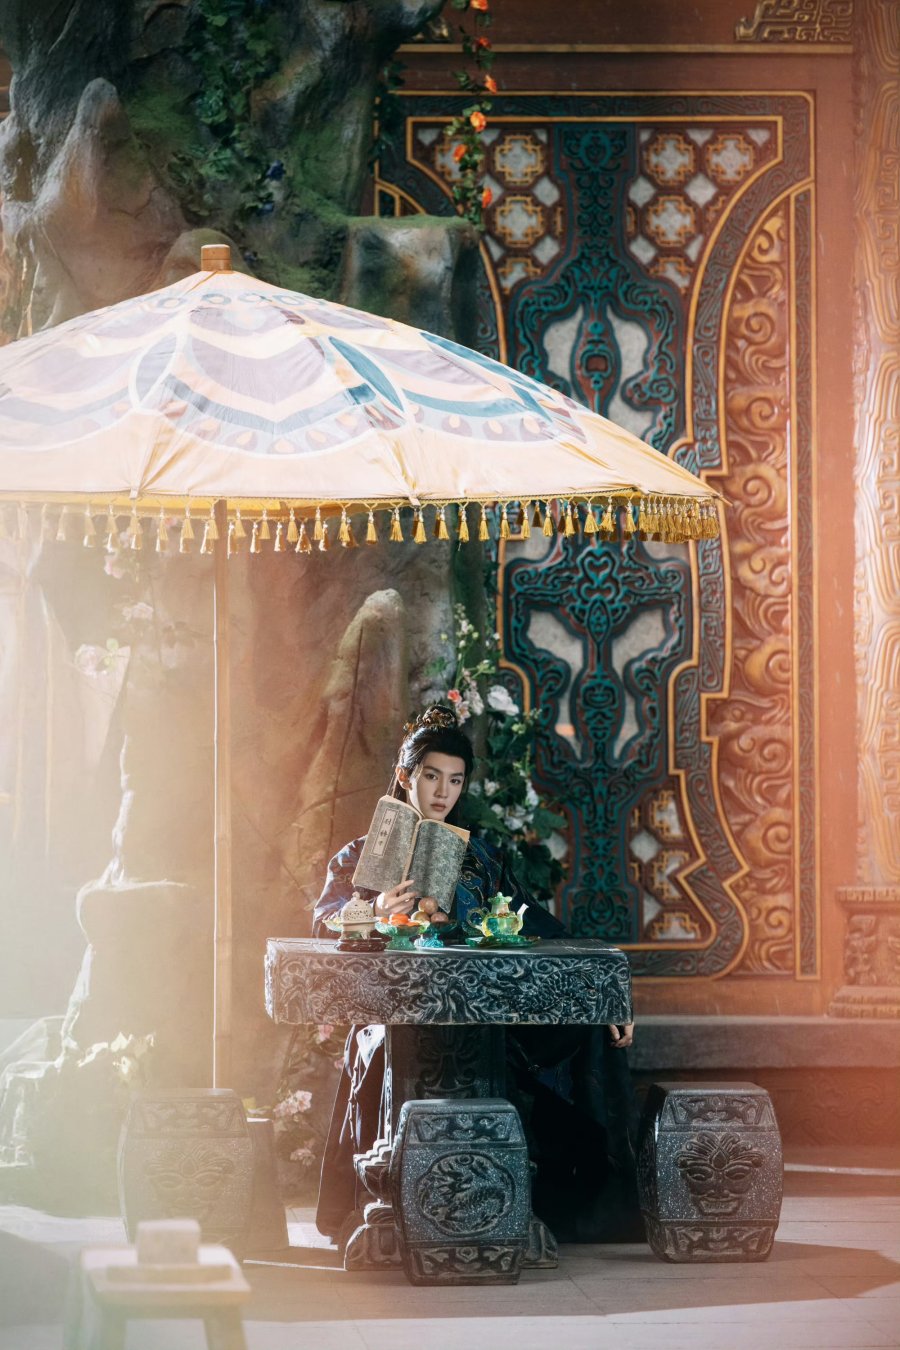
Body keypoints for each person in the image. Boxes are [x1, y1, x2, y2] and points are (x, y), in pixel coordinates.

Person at [313, 704, 640, 1243]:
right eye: (431, 776)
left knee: (585, 1028)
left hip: (482, 1016)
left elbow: (543, 928)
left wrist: (609, 992)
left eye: (455, 780)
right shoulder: (359, 857)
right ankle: (393, 1205)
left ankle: (547, 1202)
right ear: (405, 776)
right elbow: (323, 920)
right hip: (394, 1018)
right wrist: (373, 910)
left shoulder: (482, 861)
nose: (443, 791)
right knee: (395, 1044)